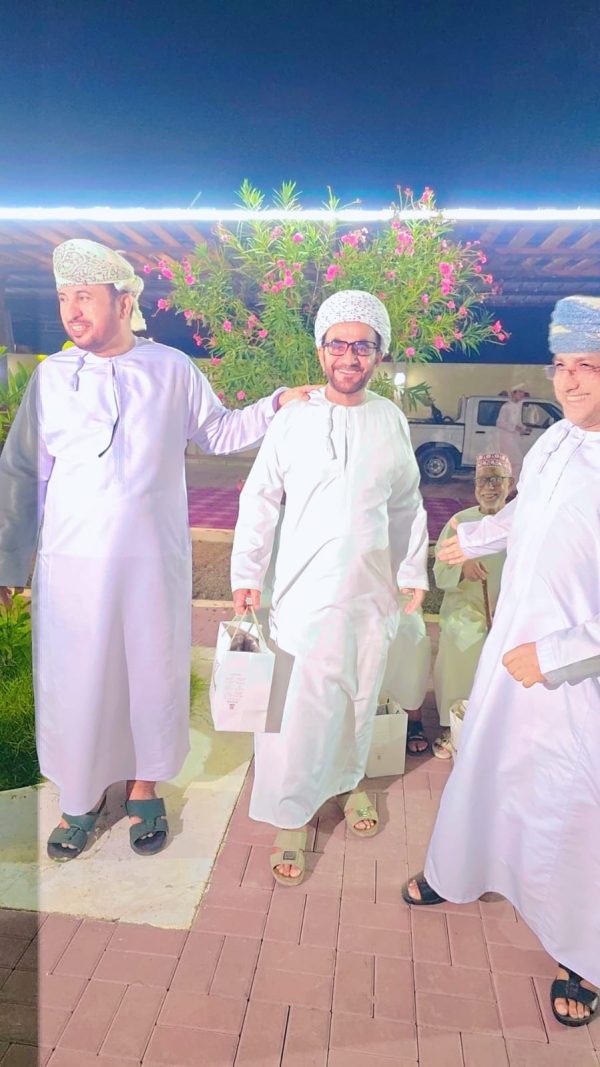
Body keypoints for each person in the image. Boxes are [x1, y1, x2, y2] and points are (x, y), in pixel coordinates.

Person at [0, 239, 314, 861]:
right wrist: (8, 564)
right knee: (76, 681)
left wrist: (276, 403)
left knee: (148, 674)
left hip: (152, 566)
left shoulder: (171, 369)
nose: (72, 311)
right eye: (64, 298)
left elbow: (218, 430)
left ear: (123, 302)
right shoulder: (52, 378)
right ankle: (80, 796)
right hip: (72, 570)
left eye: (84, 297)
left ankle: (144, 787)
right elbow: (23, 473)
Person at [402, 294, 600, 1027]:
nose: (570, 381)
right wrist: (477, 538)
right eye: (562, 365)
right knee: (486, 764)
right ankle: (457, 871)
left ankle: (583, 953)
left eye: (588, 366)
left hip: (575, 674)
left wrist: (554, 654)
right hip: (509, 649)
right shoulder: (555, 442)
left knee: (575, 801)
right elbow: (528, 513)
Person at [231, 290, 428, 885]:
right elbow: (260, 499)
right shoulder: (293, 419)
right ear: (321, 352)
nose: (349, 356)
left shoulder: (390, 418)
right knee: (295, 709)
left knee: (359, 696)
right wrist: (247, 574)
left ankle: (348, 782)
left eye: (362, 346)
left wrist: (410, 572)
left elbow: (406, 503)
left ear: (378, 354)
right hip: (302, 593)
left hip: (370, 592)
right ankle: (292, 814)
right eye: (338, 344)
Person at [431, 452, 511, 758]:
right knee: (461, 644)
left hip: (507, 609)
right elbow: (440, 570)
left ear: (509, 484)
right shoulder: (460, 522)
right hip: (464, 608)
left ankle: (494, 728)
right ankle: (452, 725)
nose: (489, 487)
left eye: (497, 480)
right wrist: (462, 568)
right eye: (483, 480)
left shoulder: (519, 521)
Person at [496, 384, 529, 480]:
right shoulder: (506, 407)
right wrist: (515, 428)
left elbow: (517, 422)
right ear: (514, 393)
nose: (522, 394)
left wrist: (523, 428)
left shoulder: (518, 406)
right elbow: (500, 422)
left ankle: (512, 484)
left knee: (515, 463)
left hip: (514, 437)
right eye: (520, 392)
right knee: (516, 462)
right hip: (506, 438)